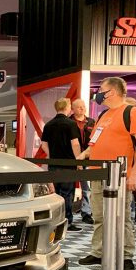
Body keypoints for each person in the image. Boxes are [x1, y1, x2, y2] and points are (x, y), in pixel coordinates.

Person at [78, 77, 136, 270]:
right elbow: (94, 143)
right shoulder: (103, 114)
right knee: (99, 215)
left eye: (101, 89)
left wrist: (134, 173)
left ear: (112, 92)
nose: (98, 93)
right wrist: (83, 155)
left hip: (119, 175)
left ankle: (126, 255)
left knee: (121, 217)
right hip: (97, 173)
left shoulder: (132, 112)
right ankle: (98, 251)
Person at [40, 97, 82, 232]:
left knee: (55, 194)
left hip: (53, 164)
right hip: (68, 164)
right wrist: (79, 161)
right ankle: (67, 222)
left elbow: (43, 144)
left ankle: (55, 221)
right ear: (67, 107)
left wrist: (52, 155)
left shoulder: (48, 125)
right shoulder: (71, 124)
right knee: (67, 194)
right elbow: (75, 144)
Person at [70, 99, 96, 225]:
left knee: (87, 188)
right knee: (69, 188)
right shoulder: (68, 122)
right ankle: (67, 213)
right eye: (79, 107)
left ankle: (86, 213)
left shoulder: (91, 122)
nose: (82, 109)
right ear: (73, 109)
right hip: (70, 160)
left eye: (83, 106)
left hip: (87, 159)